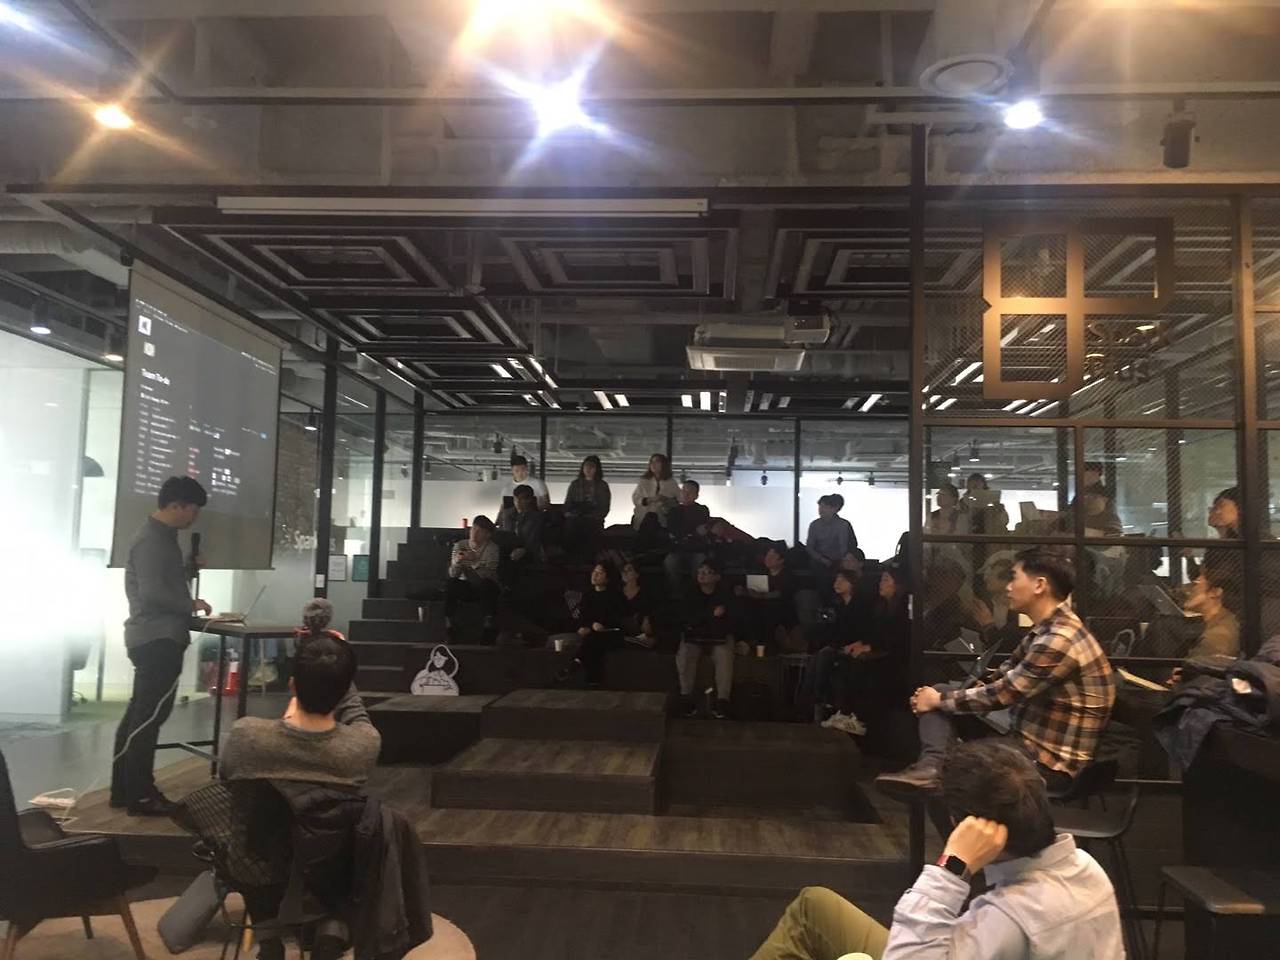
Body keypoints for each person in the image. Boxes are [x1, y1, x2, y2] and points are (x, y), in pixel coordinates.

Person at [751, 739, 1124, 960]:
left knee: (809, 912)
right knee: (816, 905)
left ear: (967, 825)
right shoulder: (1086, 867)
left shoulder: (1010, 920)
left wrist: (951, 869)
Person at [877, 547, 1116, 798]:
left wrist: (938, 701)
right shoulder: (1046, 630)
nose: (1008, 587)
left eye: (1014, 578)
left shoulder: (1059, 638)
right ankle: (931, 768)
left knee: (954, 766)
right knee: (941, 693)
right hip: (1028, 743)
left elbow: (1004, 694)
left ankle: (934, 772)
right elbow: (1003, 674)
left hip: (1049, 764)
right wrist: (945, 695)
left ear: (1039, 585)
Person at [220, 635, 381, 960]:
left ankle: (269, 945)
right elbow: (359, 717)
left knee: (254, 845)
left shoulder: (246, 736)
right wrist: (336, 666)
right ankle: (329, 934)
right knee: (338, 857)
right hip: (326, 869)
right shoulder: (362, 746)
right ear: (343, 690)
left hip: (257, 867)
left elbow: (227, 780)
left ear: (292, 684)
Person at [110, 476, 212, 817]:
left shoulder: (162, 538)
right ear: (176, 505)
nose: (194, 517)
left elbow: (160, 583)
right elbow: (153, 594)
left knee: (139, 716)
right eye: (193, 510)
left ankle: (124, 790)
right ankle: (141, 795)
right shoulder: (152, 540)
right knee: (148, 719)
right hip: (157, 638)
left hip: (154, 637)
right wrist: (190, 604)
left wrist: (188, 570)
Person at [802, 569, 874, 732]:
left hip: (854, 647)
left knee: (825, 655)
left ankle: (817, 700)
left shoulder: (861, 606)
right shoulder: (837, 606)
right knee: (817, 658)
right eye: (836, 580)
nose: (837, 583)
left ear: (852, 584)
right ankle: (813, 703)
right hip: (839, 646)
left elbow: (864, 631)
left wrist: (855, 643)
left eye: (842, 580)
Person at [675, 559, 736, 719]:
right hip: (695, 636)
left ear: (716, 577)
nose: (701, 575)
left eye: (707, 572)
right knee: (685, 654)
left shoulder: (725, 594)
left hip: (718, 636)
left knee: (724, 655)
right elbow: (686, 617)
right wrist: (710, 614)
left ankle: (722, 700)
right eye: (700, 571)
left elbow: (730, 621)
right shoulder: (690, 592)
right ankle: (686, 697)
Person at [558, 562, 626, 687]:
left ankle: (575, 665)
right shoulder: (588, 595)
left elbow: (617, 618)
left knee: (594, 640)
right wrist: (587, 626)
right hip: (593, 633)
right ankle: (593, 680)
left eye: (600, 573)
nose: (595, 575)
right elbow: (583, 617)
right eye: (594, 572)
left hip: (611, 632)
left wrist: (600, 625)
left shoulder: (615, 596)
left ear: (608, 577)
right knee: (593, 641)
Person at [444, 515, 500, 641]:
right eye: (473, 529)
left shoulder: (492, 548)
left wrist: (474, 561)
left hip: (483, 586)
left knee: (489, 586)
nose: (475, 533)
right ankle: (449, 625)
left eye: (480, 531)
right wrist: (457, 562)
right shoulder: (460, 545)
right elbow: (453, 574)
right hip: (465, 585)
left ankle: (488, 626)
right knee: (451, 584)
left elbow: (489, 574)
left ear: (487, 535)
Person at [736, 542, 798, 654]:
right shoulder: (761, 571)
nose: (768, 559)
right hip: (759, 606)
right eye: (767, 555)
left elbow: (783, 593)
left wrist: (762, 595)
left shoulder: (787, 575)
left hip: (780, 609)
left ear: (781, 560)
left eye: (772, 557)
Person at [663, 479, 712, 589]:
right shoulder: (673, 511)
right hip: (678, 549)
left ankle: (695, 590)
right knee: (670, 562)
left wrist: (686, 533)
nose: (685, 494)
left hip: (697, 549)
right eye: (683, 491)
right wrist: (693, 532)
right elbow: (674, 530)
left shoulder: (702, 510)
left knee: (700, 562)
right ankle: (676, 590)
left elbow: (702, 529)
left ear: (696, 495)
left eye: (689, 492)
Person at [564, 455, 612, 543]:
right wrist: (572, 512)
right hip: (576, 518)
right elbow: (568, 503)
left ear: (597, 469)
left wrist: (594, 515)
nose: (588, 469)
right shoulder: (575, 484)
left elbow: (604, 507)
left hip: (594, 520)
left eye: (592, 467)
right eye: (586, 466)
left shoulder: (602, 486)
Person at [806, 494, 857, 572]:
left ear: (834, 509)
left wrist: (844, 559)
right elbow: (810, 547)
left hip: (841, 560)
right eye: (820, 506)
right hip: (820, 560)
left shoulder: (844, 524)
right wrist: (821, 559)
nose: (821, 510)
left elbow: (851, 545)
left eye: (825, 507)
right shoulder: (814, 525)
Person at [631, 452, 680, 533]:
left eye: (657, 462)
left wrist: (666, 500)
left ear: (663, 465)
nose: (653, 464)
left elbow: (679, 499)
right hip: (644, 517)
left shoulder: (671, 482)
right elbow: (635, 498)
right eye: (652, 462)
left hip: (663, 519)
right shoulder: (644, 481)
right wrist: (649, 500)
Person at [498, 454, 549, 523]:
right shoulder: (507, 488)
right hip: (512, 521)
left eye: (523, 469)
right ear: (512, 470)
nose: (520, 473)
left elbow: (546, 503)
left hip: (534, 520)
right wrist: (498, 521)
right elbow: (502, 509)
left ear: (527, 468)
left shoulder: (538, 483)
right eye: (517, 470)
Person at [621, 559, 659, 649]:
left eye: (629, 570)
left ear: (636, 574)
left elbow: (649, 610)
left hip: (638, 627)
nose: (625, 573)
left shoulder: (645, 592)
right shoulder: (617, 592)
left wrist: (646, 619)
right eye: (623, 571)